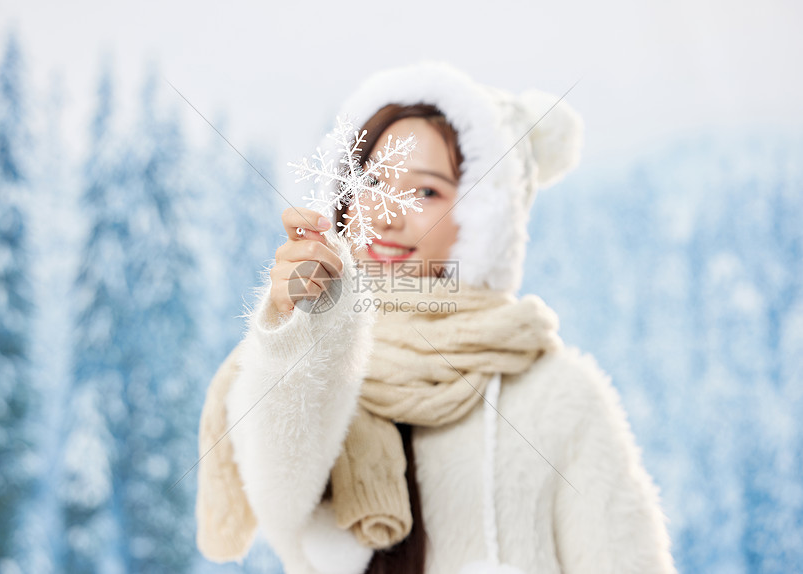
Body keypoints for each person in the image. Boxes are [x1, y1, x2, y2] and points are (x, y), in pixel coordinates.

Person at [195, 61, 678, 574]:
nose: (386, 212)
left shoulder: (559, 397)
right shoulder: (291, 355)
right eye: (371, 180)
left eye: (426, 191)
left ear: (484, 220)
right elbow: (280, 496)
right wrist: (302, 325)